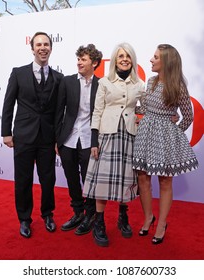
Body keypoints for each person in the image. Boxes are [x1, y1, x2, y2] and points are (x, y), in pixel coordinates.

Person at [132, 44, 199, 245]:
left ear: (166, 62)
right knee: (143, 178)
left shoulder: (177, 86)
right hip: (146, 134)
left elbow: (188, 116)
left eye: (155, 57)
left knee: (164, 181)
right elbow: (143, 106)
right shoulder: (151, 81)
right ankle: (148, 218)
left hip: (164, 139)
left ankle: (161, 224)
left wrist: (172, 132)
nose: (151, 60)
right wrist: (127, 105)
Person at [1, 31, 64, 238]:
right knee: (23, 180)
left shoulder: (58, 78)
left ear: (51, 48)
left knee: (48, 179)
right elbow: (8, 104)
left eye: (46, 44)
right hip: (23, 135)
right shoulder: (18, 73)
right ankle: (25, 219)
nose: (43, 48)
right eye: (39, 44)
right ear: (32, 48)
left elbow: (58, 112)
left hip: (47, 137)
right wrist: (6, 133)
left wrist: (58, 138)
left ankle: (47, 214)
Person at [83, 42, 145, 247]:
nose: (124, 59)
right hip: (106, 135)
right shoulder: (105, 82)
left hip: (129, 135)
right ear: (115, 59)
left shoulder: (139, 84)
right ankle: (99, 223)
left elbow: (146, 108)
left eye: (128, 55)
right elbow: (97, 111)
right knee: (103, 181)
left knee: (124, 179)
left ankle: (122, 216)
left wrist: (167, 115)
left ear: (132, 59)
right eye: (120, 56)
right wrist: (94, 140)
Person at [55, 44, 103, 235]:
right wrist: (56, 140)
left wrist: (96, 141)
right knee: (72, 179)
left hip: (89, 140)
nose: (79, 63)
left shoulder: (102, 85)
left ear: (95, 62)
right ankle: (78, 213)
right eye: (78, 59)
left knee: (88, 180)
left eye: (83, 59)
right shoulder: (67, 82)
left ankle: (90, 215)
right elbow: (58, 112)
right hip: (68, 139)